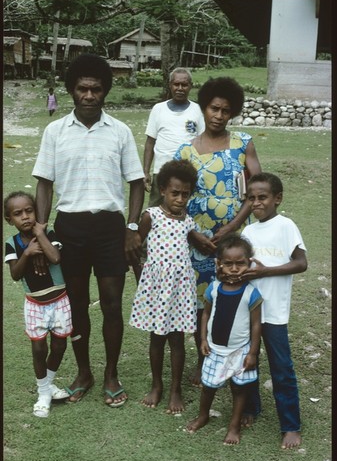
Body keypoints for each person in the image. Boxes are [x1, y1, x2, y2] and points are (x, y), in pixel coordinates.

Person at [32, 53, 145, 407]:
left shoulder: (121, 131)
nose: (90, 95)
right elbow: (45, 185)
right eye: (82, 88)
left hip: (111, 229)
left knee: (112, 305)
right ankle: (84, 372)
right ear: (72, 91)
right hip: (70, 228)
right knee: (76, 306)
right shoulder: (55, 131)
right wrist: (41, 231)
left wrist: (130, 227)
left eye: (96, 89)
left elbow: (137, 183)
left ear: (105, 91)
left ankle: (111, 374)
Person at [174, 76, 262, 386]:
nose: (219, 116)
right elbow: (175, 199)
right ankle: (204, 359)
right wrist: (194, 235)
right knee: (204, 302)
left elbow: (257, 190)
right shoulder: (185, 152)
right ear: (204, 107)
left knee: (234, 296)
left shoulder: (243, 143)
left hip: (234, 240)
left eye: (226, 111)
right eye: (214, 108)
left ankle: (237, 360)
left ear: (232, 112)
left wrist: (232, 227)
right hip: (198, 240)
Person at [129, 160, 214, 414]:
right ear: (163, 190)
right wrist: (141, 278)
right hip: (156, 287)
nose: (179, 199)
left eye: (185, 194)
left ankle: (175, 389)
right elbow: (134, 248)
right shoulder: (150, 216)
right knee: (156, 339)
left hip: (180, 288)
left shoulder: (187, 222)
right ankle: (157, 385)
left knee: (177, 339)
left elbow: (197, 243)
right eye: (174, 193)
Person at [241, 172, 307, 449]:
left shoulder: (285, 226)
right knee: (247, 362)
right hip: (248, 312)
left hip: (274, 313)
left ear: (277, 198)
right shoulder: (248, 231)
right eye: (251, 198)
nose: (256, 203)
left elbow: (301, 262)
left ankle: (290, 425)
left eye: (263, 197)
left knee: (281, 369)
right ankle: (251, 407)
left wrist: (267, 271)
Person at [186, 233, 262, 444]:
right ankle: (203, 416)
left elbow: (256, 325)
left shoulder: (251, 293)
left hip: (240, 351)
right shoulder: (214, 288)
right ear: (219, 264)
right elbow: (206, 315)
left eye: (240, 263)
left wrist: (253, 353)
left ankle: (234, 425)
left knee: (239, 389)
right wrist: (202, 340)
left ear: (250, 263)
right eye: (229, 264)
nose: (235, 269)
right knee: (208, 386)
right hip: (215, 349)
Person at [4, 191, 72, 418]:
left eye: (29, 211)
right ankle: (43, 393)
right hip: (35, 304)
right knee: (39, 348)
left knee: (60, 346)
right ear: (9, 219)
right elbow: (14, 274)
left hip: (60, 300)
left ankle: (49, 383)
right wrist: (28, 253)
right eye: (18, 214)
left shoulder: (49, 234)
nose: (25, 216)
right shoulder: (11, 243)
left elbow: (55, 257)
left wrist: (39, 233)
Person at [143, 67, 205, 207]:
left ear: (191, 86)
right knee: (156, 211)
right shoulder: (158, 109)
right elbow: (150, 143)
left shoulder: (198, 110)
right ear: (170, 85)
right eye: (176, 84)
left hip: (189, 173)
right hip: (161, 171)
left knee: (187, 211)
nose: (180, 88)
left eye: (184, 85)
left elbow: (203, 143)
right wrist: (146, 172)